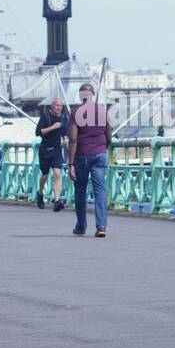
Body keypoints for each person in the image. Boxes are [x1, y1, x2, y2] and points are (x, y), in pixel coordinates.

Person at [68, 82, 113, 238]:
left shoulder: (76, 112)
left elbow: (73, 139)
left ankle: (81, 226)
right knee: (99, 190)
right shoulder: (102, 111)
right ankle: (101, 226)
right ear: (93, 95)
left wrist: (70, 163)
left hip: (82, 156)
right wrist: (102, 148)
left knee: (80, 191)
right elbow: (109, 136)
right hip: (100, 154)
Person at [35, 97, 68, 212]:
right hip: (45, 149)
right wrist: (52, 127)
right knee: (45, 174)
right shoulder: (46, 116)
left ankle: (57, 201)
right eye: (56, 105)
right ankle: (40, 193)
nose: (58, 107)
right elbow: (38, 132)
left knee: (57, 174)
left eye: (60, 105)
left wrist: (65, 139)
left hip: (57, 149)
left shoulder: (64, 118)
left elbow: (65, 132)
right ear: (52, 106)